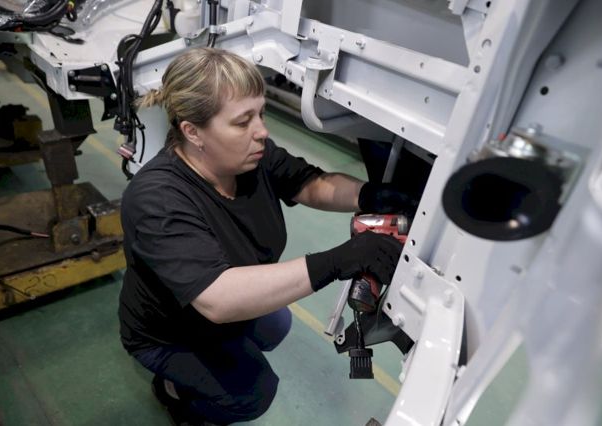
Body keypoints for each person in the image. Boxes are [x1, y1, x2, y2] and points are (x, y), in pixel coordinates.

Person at [118, 47, 412, 426]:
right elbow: (219, 299)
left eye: (261, 114)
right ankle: (174, 393)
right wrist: (339, 260)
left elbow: (309, 184)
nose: (261, 131)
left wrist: (370, 195)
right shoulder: (157, 199)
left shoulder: (250, 158)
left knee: (276, 325)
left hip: (223, 300)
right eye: (243, 122)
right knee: (254, 394)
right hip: (172, 331)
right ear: (193, 132)